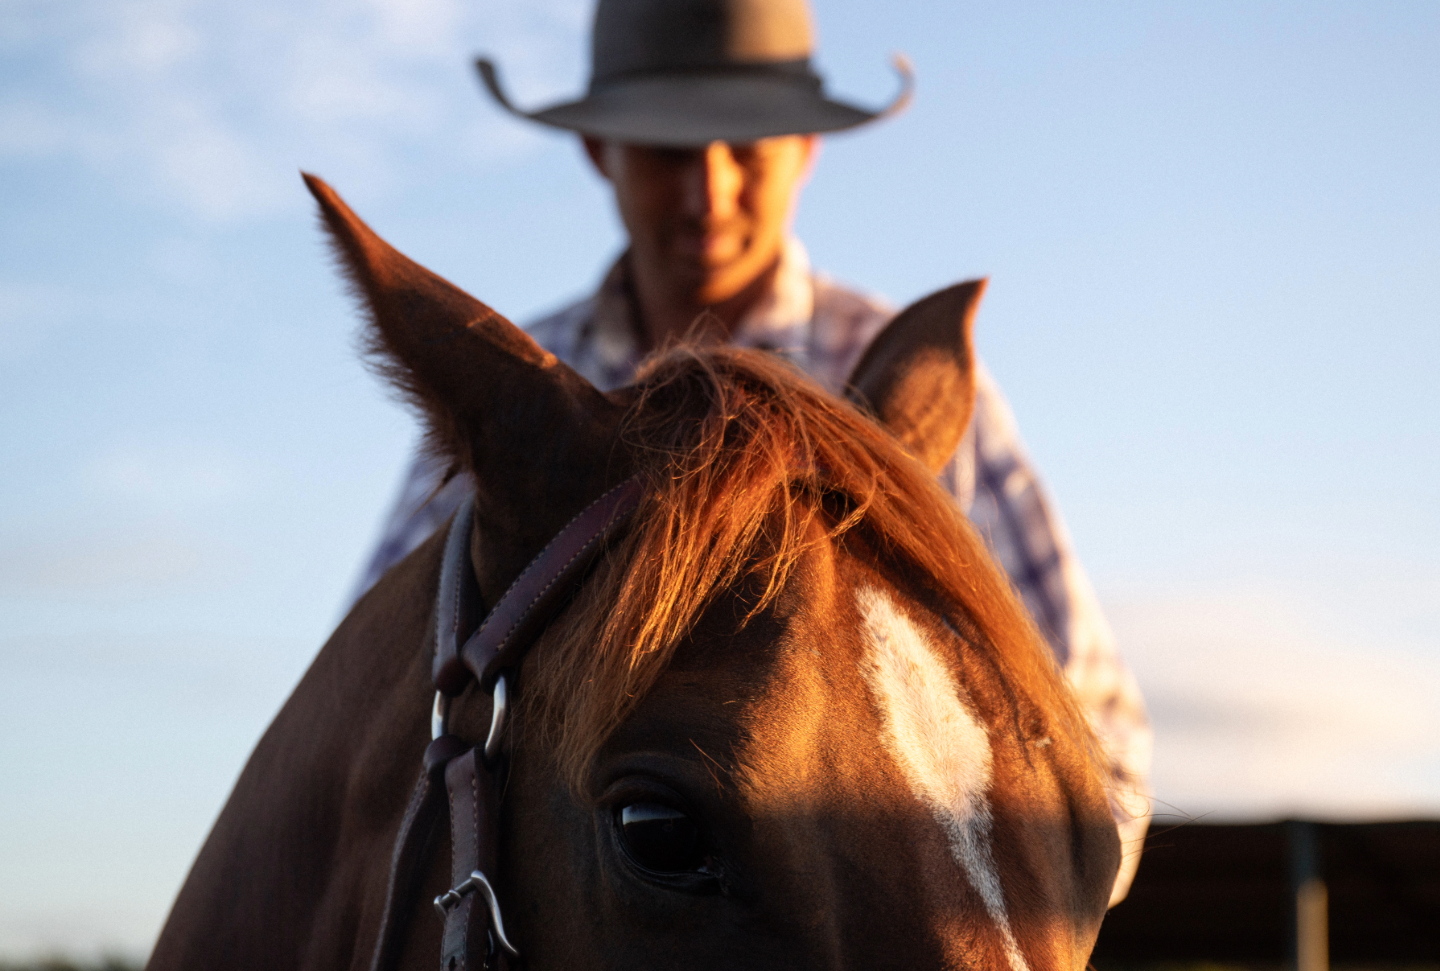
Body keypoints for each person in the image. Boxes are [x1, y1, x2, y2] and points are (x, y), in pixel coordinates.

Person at [352, 0, 1151, 896]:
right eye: (667, 154)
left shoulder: (909, 378)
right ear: (597, 153)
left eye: (748, 151)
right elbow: (371, 714)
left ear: (804, 152)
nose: (709, 193)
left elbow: (1098, 734)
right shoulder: (499, 394)